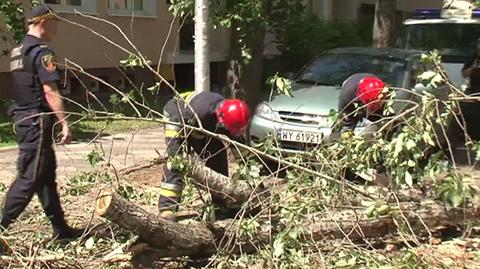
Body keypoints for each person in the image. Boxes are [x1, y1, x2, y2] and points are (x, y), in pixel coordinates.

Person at [0, 5, 85, 240]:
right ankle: (1, 225)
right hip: (36, 122)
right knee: (30, 177)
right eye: (55, 23)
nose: (57, 28)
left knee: (45, 177)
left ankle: (61, 229)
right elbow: (50, 91)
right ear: (44, 23)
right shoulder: (42, 53)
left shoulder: (18, 52)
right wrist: (65, 122)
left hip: (24, 119)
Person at [159, 91, 251, 220]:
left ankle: (219, 204)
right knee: (177, 162)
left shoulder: (230, 116)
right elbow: (179, 142)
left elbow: (240, 149)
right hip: (177, 117)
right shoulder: (202, 111)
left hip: (202, 126)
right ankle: (167, 209)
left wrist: (252, 174)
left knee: (217, 156)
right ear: (220, 119)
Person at [335, 73, 387, 138]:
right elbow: (347, 126)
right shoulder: (347, 98)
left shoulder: (384, 93)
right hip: (352, 89)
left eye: (377, 105)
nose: (376, 107)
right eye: (374, 106)